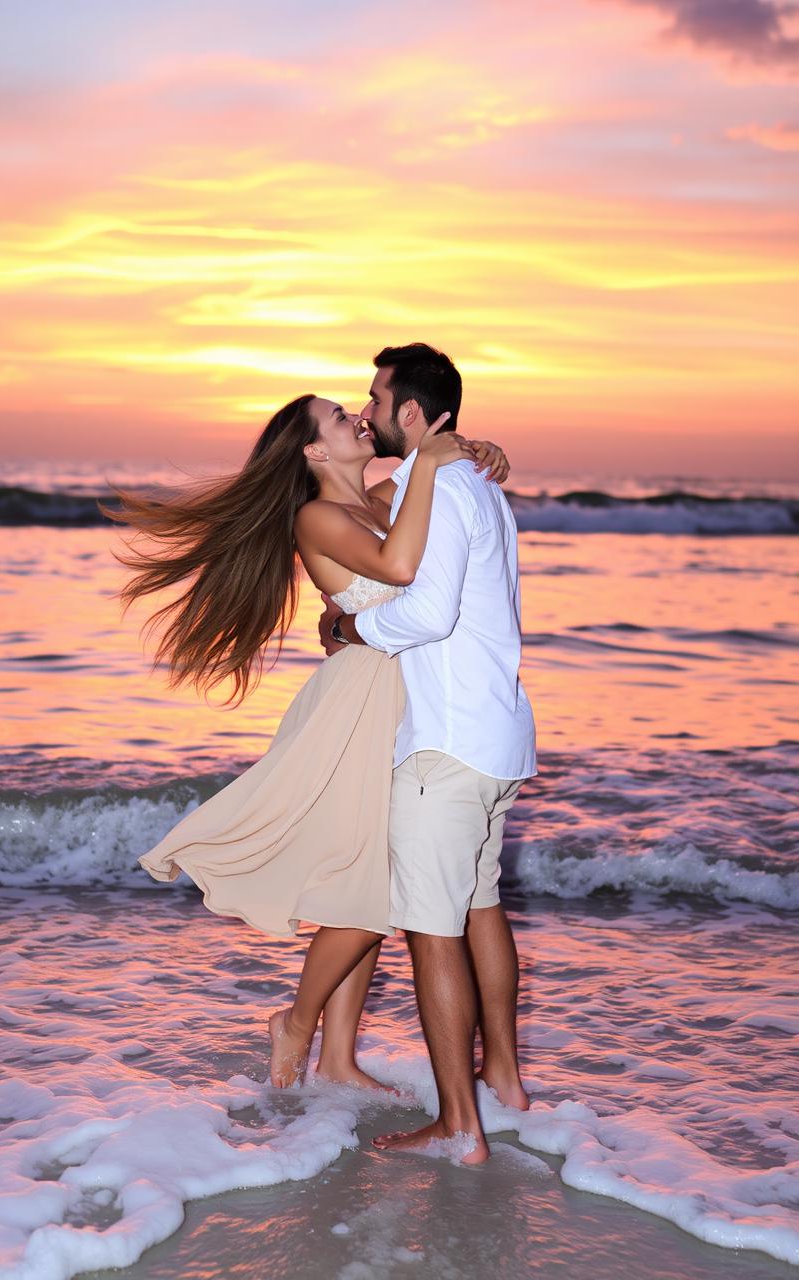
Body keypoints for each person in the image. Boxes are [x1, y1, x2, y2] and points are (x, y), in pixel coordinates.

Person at [106, 386, 509, 1093]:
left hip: (405, 698)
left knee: (369, 883)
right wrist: (435, 460)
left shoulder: (378, 502)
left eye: (354, 408)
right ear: (314, 450)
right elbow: (400, 569)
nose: (357, 416)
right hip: (361, 703)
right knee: (377, 888)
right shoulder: (318, 516)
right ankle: (296, 1023)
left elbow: (420, 514)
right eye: (335, 418)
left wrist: (463, 456)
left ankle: (338, 1058)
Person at [317, 343, 537, 1164]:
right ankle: (504, 1080)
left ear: (412, 412)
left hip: (446, 746)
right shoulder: (474, 480)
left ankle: (459, 1125)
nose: (366, 409)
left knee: (430, 932)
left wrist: (350, 629)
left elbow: (429, 611)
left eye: (375, 398)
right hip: (499, 736)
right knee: (480, 909)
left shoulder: (434, 482)